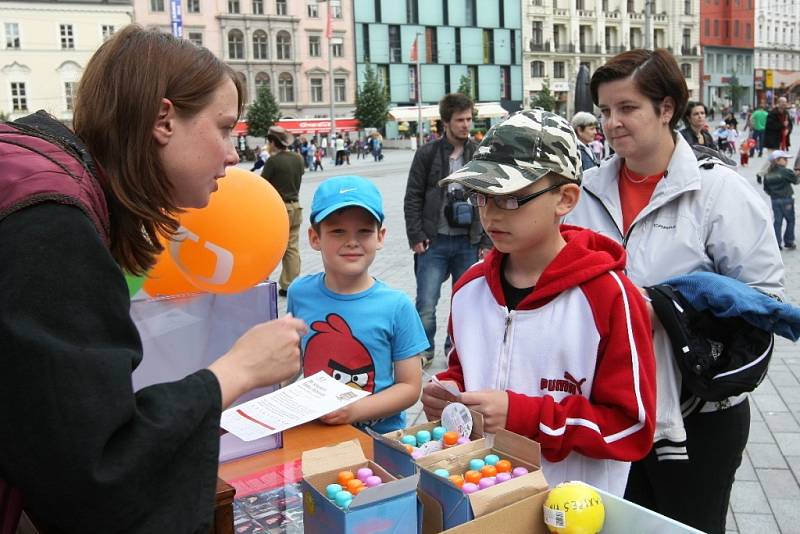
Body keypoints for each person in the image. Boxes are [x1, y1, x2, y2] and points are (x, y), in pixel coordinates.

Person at [0, 25, 306, 532]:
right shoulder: (52, 220)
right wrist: (237, 371)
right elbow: (97, 468)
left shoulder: (37, 172)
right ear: (164, 118)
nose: (233, 154)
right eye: (224, 127)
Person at [566, 48, 784, 534]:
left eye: (627, 108)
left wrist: (669, 310)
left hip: (696, 417)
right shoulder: (581, 192)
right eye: (604, 111)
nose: (612, 123)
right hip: (606, 410)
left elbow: (762, 299)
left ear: (666, 109)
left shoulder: (720, 192)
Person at [420, 109, 657, 495]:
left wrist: (525, 415)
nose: (491, 214)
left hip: (573, 510)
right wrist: (448, 391)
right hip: (482, 496)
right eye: (482, 196)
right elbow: (466, 369)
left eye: (511, 199)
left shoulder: (610, 297)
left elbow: (631, 428)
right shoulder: (469, 289)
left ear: (565, 199)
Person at [287, 176, 427, 433]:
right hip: (314, 433)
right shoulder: (300, 292)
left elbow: (410, 387)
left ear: (380, 237)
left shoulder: (397, 306)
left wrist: (353, 411)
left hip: (379, 441)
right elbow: (295, 359)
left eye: (364, 231)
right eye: (337, 231)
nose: (352, 241)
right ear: (315, 238)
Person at [403, 93, 491, 367]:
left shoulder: (478, 153)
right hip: (434, 241)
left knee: (463, 302)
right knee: (427, 303)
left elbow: (489, 197)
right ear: (446, 122)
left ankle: (454, 348)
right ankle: (424, 350)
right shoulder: (427, 154)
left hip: (468, 241)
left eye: (469, 119)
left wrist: (486, 240)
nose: (467, 125)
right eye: (460, 120)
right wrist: (416, 236)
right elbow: (413, 196)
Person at [261, 125, 305, 297]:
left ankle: (263, 279)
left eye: (268, 142)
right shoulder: (298, 158)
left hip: (278, 209)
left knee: (270, 245)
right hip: (296, 207)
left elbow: (263, 184)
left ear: (273, 142)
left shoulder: (273, 161)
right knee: (292, 248)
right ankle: (289, 284)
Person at [763, 150, 799, 250]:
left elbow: (766, 189)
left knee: (777, 222)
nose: (786, 161)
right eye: (785, 159)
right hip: (786, 200)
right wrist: (798, 174)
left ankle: (777, 243)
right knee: (790, 220)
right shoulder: (785, 171)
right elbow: (796, 181)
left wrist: (774, 194)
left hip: (774, 200)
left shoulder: (767, 174)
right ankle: (789, 241)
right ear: (777, 160)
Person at [760, 96, 794, 178]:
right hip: (773, 140)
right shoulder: (772, 113)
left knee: (782, 159)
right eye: (782, 102)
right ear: (778, 103)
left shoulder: (786, 113)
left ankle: (779, 174)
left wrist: (788, 130)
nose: (784, 104)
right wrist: (782, 126)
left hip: (783, 140)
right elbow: (770, 126)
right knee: (772, 159)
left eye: (785, 102)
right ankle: (761, 173)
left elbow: (789, 125)